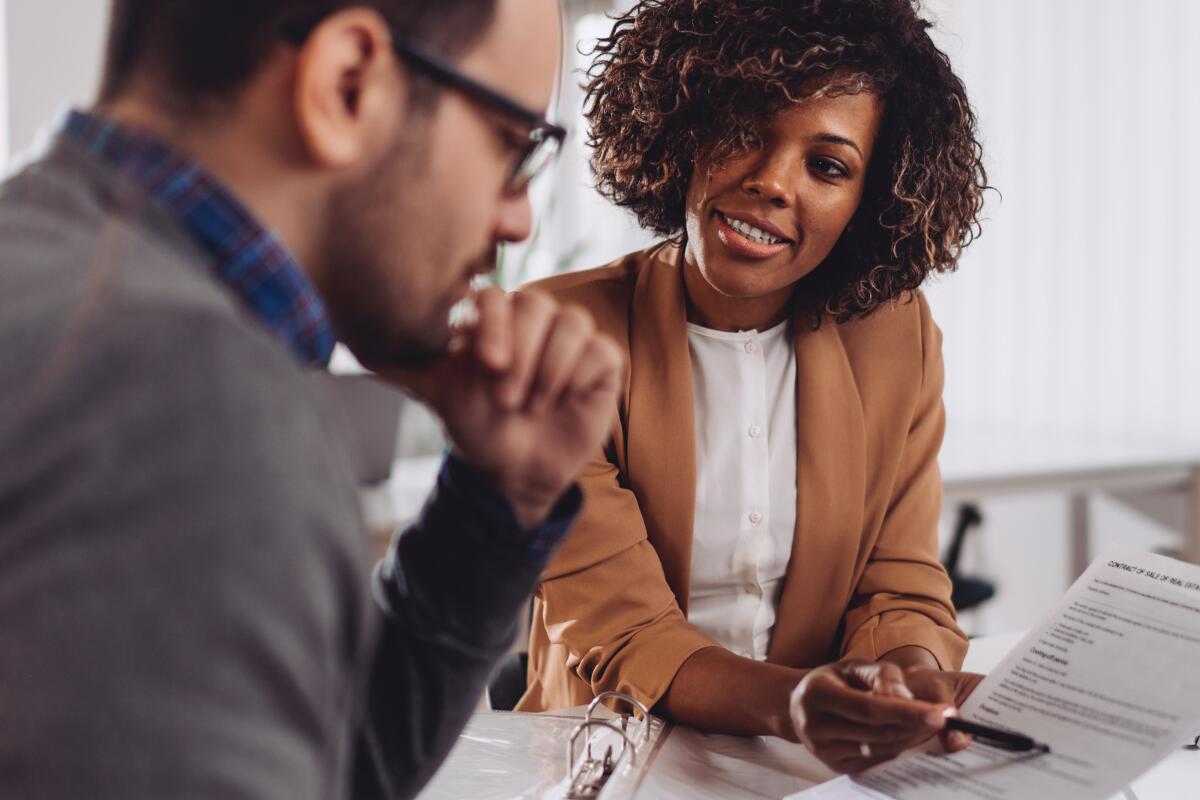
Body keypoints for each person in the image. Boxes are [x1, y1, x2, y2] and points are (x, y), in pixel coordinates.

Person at [0, 0, 623, 798]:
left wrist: (496, 503)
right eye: (513, 146)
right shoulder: (199, 407)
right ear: (347, 83)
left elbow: (320, 766)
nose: (517, 217)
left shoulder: (55, 270)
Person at [515, 0, 990, 773]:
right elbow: (628, 634)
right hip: (605, 758)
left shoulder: (895, 336)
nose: (771, 182)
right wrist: (799, 702)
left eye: (827, 166)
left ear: (871, 201)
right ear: (686, 124)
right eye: (745, 129)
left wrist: (904, 680)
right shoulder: (556, 336)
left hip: (808, 767)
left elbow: (900, 585)